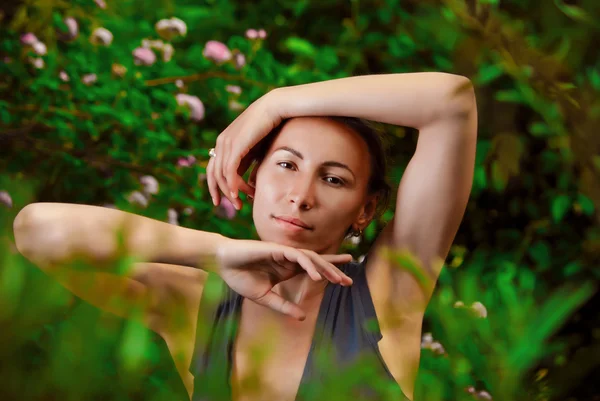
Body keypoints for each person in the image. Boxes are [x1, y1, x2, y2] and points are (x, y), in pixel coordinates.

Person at [13, 72, 478, 401]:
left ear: (367, 209)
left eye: (333, 179)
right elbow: (35, 230)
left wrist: (276, 101)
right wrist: (219, 253)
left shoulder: (386, 297)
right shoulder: (196, 305)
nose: (300, 196)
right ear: (253, 179)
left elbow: (451, 102)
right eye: (287, 164)